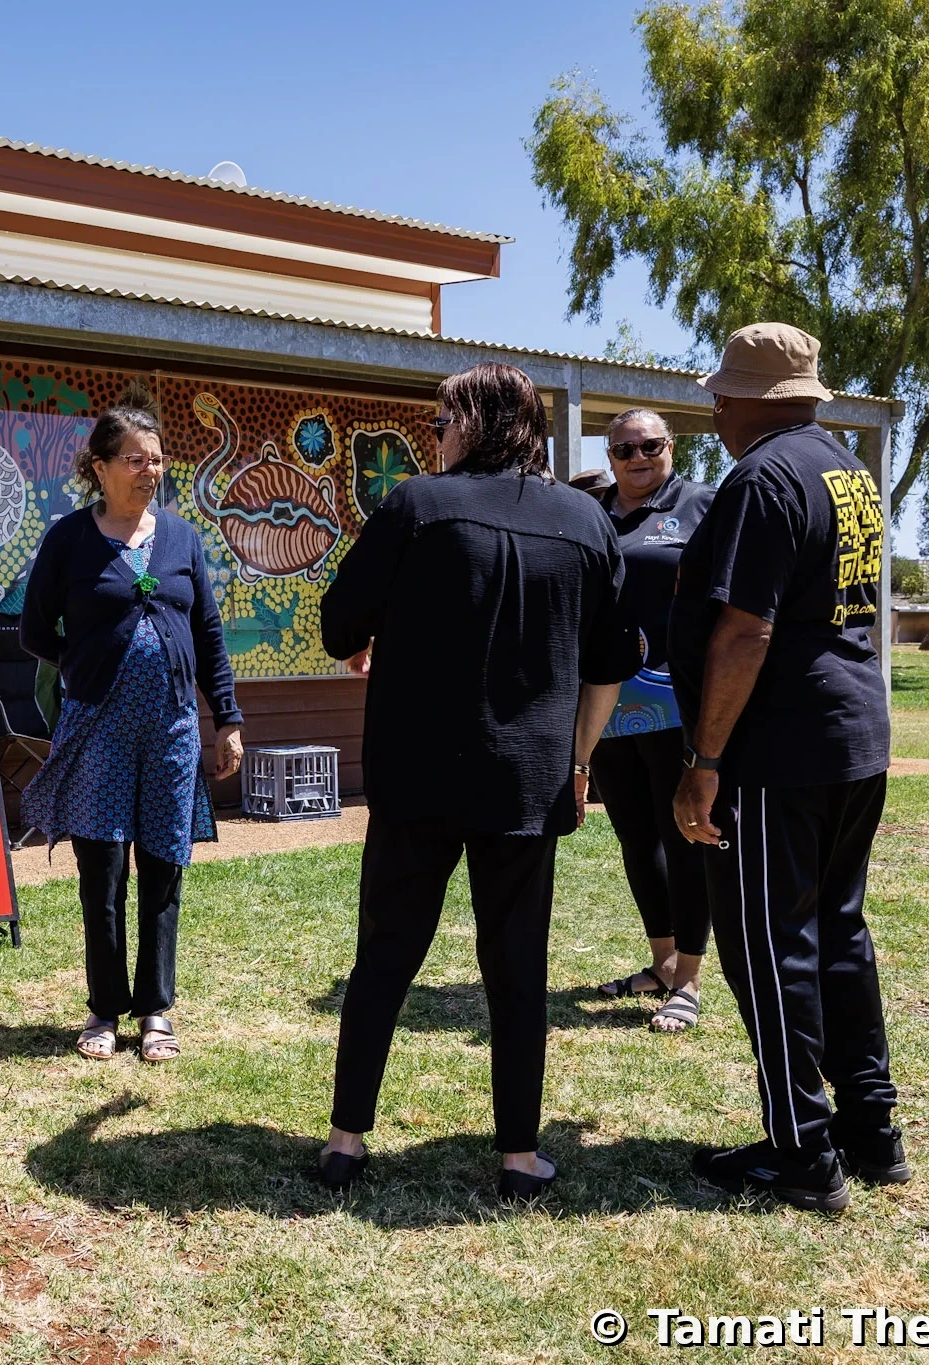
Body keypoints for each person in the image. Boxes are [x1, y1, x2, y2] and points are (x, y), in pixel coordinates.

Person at [313, 362, 635, 1199]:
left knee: (386, 954)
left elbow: (338, 623)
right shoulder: (586, 521)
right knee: (517, 966)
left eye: (439, 422)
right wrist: (577, 759)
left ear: (472, 423)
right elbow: (610, 664)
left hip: (420, 775)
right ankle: (519, 1155)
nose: (435, 438)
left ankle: (347, 1139)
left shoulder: (417, 506)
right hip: (529, 782)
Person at [668, 322, 903, 1213]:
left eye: (720, 394)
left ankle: (803, 1150)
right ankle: (870, 1127)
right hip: (853, 733)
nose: (713, 407)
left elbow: (746, 629)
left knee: (769, 947)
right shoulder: (848, 471)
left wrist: (705, 759)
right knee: (838, 930)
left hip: (780, 749)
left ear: (748, 401)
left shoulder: (762, 477)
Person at [20, 399, 244, 1065]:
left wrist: (226, 717)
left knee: (165, 866)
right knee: (104, 871)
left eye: (157, 458)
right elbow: (34, 629)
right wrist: (85, 663)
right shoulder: (68, 539)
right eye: (136, 458)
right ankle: (102, 1008)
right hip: (97, 728)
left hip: (172, 727)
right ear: (102, 467)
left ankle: (155, 1010)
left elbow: (208, 635)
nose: (151, 469)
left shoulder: (181, 539)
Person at [588, 410, 716, 1033]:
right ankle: (663, 962)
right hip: (606, 706)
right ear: (609, 456)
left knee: (682, 837)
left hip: (677, 707)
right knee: (636, 838)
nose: (638, 457)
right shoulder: (589, 512)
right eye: (624, 449)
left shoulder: (702, 506)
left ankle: (689, 978)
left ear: (671, 447)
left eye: (651, 445)